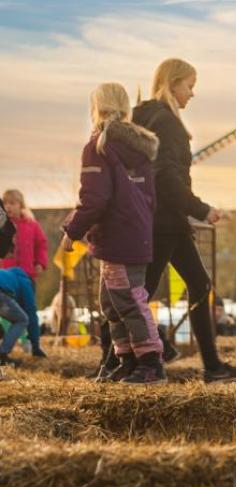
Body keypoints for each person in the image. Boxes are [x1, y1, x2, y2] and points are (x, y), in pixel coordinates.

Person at [133, 58, 236, 384]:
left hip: (161, 218)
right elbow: (166, 176)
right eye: (189, 86)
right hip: (165, 219)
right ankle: (129, 357)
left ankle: (211, 366)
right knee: (140, 292)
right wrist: (201, 209)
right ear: (172, 84)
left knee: (195, 286)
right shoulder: (167, 122)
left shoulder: (145, 117)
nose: (192, 94)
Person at [60, 83, 167, 383]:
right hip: (136, 233)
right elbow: (150, 198)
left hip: (118, 236)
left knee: (128, 298)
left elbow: (95, 199)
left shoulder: (99, 147)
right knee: (111, 300)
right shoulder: (139, 148)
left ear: (96, 109)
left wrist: (73, 230)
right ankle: (127, 359)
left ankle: (150, 360)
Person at [1, 190, 49, 281]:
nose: (7, 206)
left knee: (27, 295)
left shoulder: (32, 225)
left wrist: (40, 263)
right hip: (6, 276)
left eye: (12, 203)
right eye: (5, 203)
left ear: (21, 205)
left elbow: (41, 245)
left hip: (28, 275)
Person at [0, 267, 40, 368]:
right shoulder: (26, 282)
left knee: (0, 331)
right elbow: (31, 313)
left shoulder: (9, 276)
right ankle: (2, 354)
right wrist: (36, 346)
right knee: (22, 319)